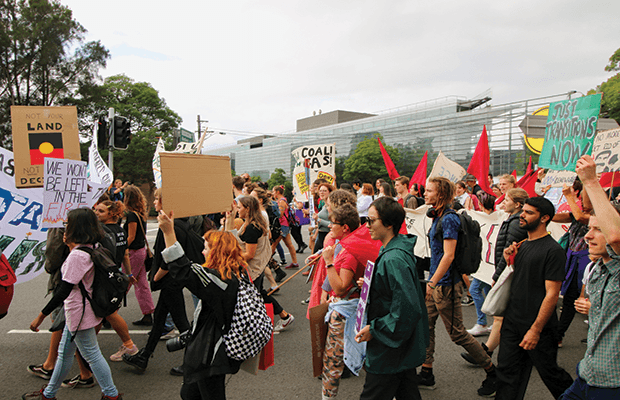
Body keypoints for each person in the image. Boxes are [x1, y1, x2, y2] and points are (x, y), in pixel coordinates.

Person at [23, 208, 122, 400]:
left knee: (92, 355)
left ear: (76, 227)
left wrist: (40, 316)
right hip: (81, 312)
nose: (65, 226)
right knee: (64, 353)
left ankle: (112, 395)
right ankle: (49, 394)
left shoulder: (77, 256)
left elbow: (63, 291)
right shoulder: (91, 247)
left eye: (68, 223)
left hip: (79, 314)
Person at [419, 176, 497, 397]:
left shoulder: (450, 219)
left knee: (458, 334)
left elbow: (449, 255)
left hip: (445, 287)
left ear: (441, 194)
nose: (425, 194)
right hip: (435, 285)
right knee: (426, 327)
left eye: (429, 191)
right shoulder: (438, 215)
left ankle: (493, 373)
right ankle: (426, 372)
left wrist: (433, 281)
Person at [157, 212, 243, 400]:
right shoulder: (235, 271)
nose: (203, 252)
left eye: (206, 248)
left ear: (217, 252)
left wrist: (168, 232)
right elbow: (231, 244)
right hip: (212, 351)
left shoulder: (218, 281)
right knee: (188, 393)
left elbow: (184, 270)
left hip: (210, 354)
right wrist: (229, 222)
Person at [495, 197, 574, 400]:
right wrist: (508, 258)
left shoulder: (553, 250)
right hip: (513, 321)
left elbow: (552, 294)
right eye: (524, 211)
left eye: (529, 213)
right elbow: (519, 279)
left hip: (539, 327)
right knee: (507, 373)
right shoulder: (520, 245)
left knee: (551, 374)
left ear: (544, 218)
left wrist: (535, 330)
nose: (522, 215)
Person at [558, 154, 620, 399]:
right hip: (587, 373)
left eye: (598, 229)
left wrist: (591, 181)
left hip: (612, 384)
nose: (587, 236)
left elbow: (615, 237)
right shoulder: (595, 269)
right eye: (589, 229)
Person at [355, 197, 429, 400]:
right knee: (407, 390)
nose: (367, 225)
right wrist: (372, 285)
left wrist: (376, 328)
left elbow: (406, 308)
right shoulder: (391, 250)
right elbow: (395, 292)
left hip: (390, 343)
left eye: (371, 220)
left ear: (388, 224)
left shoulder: (393, 258)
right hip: (396, 342)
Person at [122, 188, 193, 373]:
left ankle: (193, 363)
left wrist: (157, 275)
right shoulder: (177, 223)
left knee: (183, 324)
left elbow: (171, 255)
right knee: (159, 320)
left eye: (157, 199)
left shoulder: (172, 226)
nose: (154, 202)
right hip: (172, 281)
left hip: (170, 281)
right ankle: (144, 356)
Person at [320, 204, 380, 400]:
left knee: (333, 361)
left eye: (333, 223)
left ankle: (328, 397)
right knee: (358, 357)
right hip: (352, 308)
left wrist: (328, 262)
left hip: (346, 313)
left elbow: (340, 287)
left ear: (345, 227)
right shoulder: (347, 245)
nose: (329, 226)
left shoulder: (350, 251)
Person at [462, 188, 528, 366]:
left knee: (502, 315)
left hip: (509, 272)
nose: (503, 202)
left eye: (507, 199)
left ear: (518, 204)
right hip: (509, 271)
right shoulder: (512, 220)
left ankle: (485, 353)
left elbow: (508, 252)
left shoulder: (515, 223)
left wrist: (497, 275)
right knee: (506, 316)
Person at [227, 195, 295, 332]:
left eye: (239, 208)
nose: (238, 210)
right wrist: (231, 216)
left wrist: (234, 257)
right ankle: (283, 316)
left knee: (256, 297)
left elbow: (249, 255)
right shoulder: (253, 222)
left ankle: (270, 322)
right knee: (259, 294)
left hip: (253, 268)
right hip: (257, 267)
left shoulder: (252, 227)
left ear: (248, 209)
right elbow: (232, 236)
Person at [94, 200, 140, 362]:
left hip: (106, 277)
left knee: (108, 312)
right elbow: (125, 254)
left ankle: (129, 345)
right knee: (99, 313)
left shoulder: (103, 231)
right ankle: (87, 344)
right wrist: (128, 274)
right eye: (96, 210)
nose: (96, 213)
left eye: (100, 211)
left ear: (111, 214)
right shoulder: (120, 231)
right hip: (116, 275)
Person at [551, 180, 591, 348]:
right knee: (570, 299)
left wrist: (569, 196)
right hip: (574, 259)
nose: (583, 199)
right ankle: (558, 336)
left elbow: (582, 218)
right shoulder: (578, 210)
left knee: (591, 301)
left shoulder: (602, 211)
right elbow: (558, 217)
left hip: (589, 262)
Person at [123, 185, 155, 326]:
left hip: (133, 253)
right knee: (142, 284)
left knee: (124, 282)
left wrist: (121, 249)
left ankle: (109, 313)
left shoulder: (131, 215)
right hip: (141, 251)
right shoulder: (141, 213)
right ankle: (148, 313)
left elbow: (131, 237)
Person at [272, 186, 299, 269]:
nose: (272, 193)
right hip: (284, 224)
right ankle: (294, 262)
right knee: (289, 244)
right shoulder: (282, 200)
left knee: (274, 244)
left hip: (282, 225)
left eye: (273, 191)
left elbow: (280, 214)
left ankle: (267, 263)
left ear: (277, 192)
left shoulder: (282, 201)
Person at [313, 183, 335, 253]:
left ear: (330, 192)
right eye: (320, 191)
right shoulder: (324, 205)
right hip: (321, 235)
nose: (321, 193)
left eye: (324, 191)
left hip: (327, 235)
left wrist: (318, 220)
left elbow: (332, 224)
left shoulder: (331, 206)